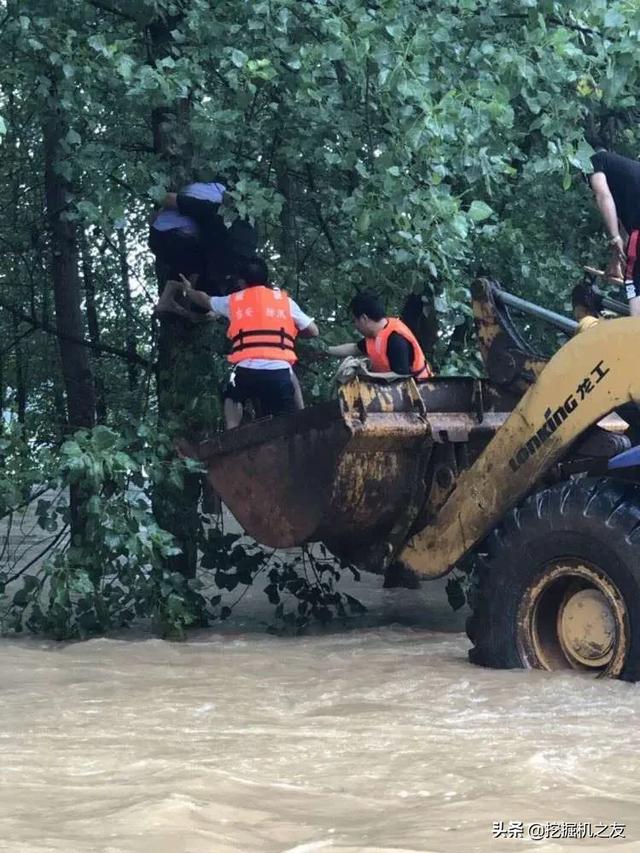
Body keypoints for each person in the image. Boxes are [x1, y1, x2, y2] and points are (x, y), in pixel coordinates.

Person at [176, 257, 319, 428]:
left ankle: (232, 430)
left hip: (246, 371)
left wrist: (189, 290)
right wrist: (288, 334)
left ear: (242, 282)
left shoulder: (234, 301)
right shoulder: (284, 302)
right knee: (290, 377)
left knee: (231, 394)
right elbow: (313, 331)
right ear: (266, 279)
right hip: (279, 373)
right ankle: (301, 418)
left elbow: (205, 300)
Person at [327, 291, 433, 379]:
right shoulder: (374, 336)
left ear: (364, 318)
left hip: (419, 390)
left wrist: (369, 375)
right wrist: (325, 350)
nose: (355, 325)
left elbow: (402, 375)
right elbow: (355, 348)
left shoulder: (396, 339)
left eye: (355, 320)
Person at [587, 142, 640, 315]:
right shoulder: (626, 172)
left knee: (634, 285)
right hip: (636, 230)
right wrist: (616, 263)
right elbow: (625, 225)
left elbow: (603, 195)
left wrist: (615, 237)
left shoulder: (594, 161)